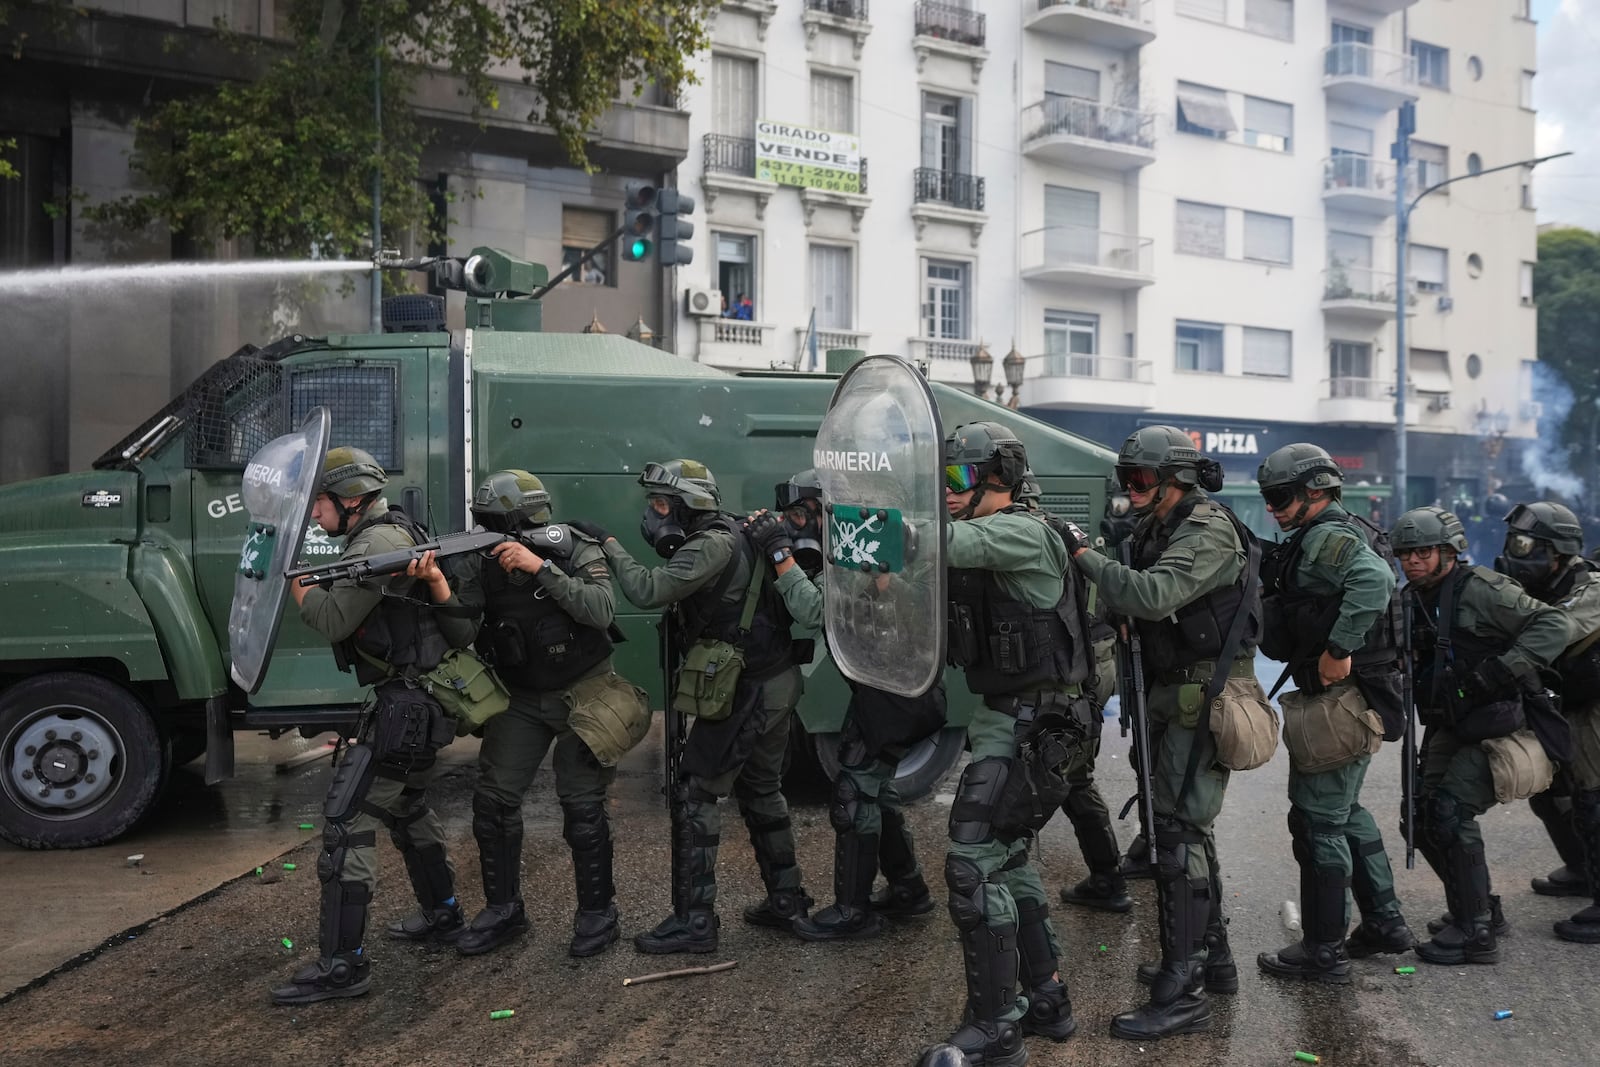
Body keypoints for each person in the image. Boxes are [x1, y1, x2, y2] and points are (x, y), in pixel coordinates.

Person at [1069, 425, 1266, 1040]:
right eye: (1126, 481)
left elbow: (1152, 596)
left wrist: (1082, 553)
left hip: (1202, 695)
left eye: (1143, 481)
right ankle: (1214, 962)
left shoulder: (1207, 529)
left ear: (1176, 480)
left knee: (1176, 840)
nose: (1133, 491)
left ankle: (1182, 989)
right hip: (1172, 690)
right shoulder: (1160, 527)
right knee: (1183, 831)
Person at [271, 447, 480, 1005]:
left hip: (408, 707)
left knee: (347, 823)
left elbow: (332, 617)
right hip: (411, 700)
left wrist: (293, 580)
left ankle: (344, 966)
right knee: (408, 808)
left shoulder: (379, 544)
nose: (315, 516)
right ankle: (444, 916)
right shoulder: (384, 536)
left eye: (319, 504)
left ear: (351, 498)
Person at [574, 460, 810, 954]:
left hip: (746, 689)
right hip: (774, 679)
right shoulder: (737, 533)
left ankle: (695, 923)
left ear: (688, 506)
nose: (653, 514)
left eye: (661, 504)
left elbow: (647, 589)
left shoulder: (712, 544)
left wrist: (608, 545)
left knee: (696, 793)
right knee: (762, 790)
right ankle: (787, 901)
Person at [922, 421, 1092, 1066]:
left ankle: (997, 1028)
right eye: (941, 478)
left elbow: (926, 542)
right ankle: (1046, 1000)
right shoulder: (991, 536)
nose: (947, 490)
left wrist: (856, 519)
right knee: (1010, 859)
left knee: (971, 863)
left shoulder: (1018, 531)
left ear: (998, 479)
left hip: (1035, 723)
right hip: (1017, 715)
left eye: (957, 477)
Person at [451, 470, 648, 959]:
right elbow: (461, 624)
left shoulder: (573, 547)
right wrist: (436, 584)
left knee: (582, 808)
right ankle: (503, 911)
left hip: (584, 690)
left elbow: (601, 610)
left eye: (496, 521)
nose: (488, 529)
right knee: (493, 804)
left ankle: (598, 914)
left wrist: (540, 568)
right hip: (520, 696)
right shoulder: (481, 559)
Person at [745, 471, 942, 942]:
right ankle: (908, 889)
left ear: (824, 512)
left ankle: (854, 912)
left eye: (799, 516)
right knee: (877, 791)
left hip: (896, 693)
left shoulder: (861, 549)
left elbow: (815, 611)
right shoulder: (848, 549)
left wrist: (779, 555)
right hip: (884, 688)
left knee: (853, 795)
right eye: (787, 518)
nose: (794, 527)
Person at [1253, 444, 1414, 984]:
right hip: (1364, 692)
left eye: (1281, 497)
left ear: (1316, 492)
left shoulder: (1330, 536)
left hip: (1346, 694)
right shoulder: (1333, 531)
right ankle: (1385, 922)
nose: (1273, 507)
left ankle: (1324, 950)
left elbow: (1375, 580)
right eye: (1268, 497)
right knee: (1344, 813)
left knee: (1317, 821)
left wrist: (1338, 648)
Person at [1391, 506, 1567, 965]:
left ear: (1449, 552)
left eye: (1424, 551)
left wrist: (1499, 671)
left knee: (1450, 812)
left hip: (1497, 718)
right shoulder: (1410, 598)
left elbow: (1553, 624)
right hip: (1449, 720)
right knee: (1421, 817)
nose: (1413, 561)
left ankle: (1475, 933)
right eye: (1405, 553)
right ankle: (1476, 906)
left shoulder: (1482, 590)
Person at [1016, 470, 1129, 914]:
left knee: (1047, 772)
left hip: (1075, 663)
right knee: (1072, 774)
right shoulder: (1062, 528)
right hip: (1094, 655)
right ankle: (1107, 876)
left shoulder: (1029, 534)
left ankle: (1103, 879)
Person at [1492, 502, 1600, 943]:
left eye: (1525, 544)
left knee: (1594, 800)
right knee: (1550, 792)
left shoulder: (1589, 587)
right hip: (1564, 701)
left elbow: (1555, 633)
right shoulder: (1540, 584)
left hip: (1593, 705)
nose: (1514, 552)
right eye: (1514, 542)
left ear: (1557, 552)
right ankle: (1580, 869)